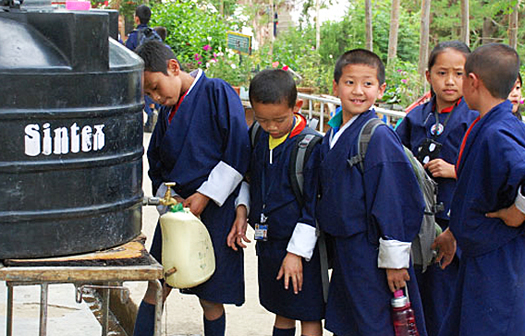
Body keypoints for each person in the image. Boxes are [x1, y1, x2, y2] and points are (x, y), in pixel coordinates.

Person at [132, 41, 250, 336]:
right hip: (176, 210)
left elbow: (237, 149)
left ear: (173, 67)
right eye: (149, 95)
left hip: (214, 208)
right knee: (157, 285)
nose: (157, 98)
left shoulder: (216, 92)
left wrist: (205, 196)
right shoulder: (166, 114)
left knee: (210, 297)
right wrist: (169, 201)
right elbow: (155, 161)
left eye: (156, 88)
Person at [314, 49, 427, 336]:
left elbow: (394, 201)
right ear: (335, 85)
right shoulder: (334, 133)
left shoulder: (377, 136)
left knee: (376, 324)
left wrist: (395, 262)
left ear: (381, 89)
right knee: (350, 323)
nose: (358, 91)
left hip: (372, 254)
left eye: (368, 83)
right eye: (350, 82)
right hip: (346, 252)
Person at [227, 69, 324, 336]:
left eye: (279, 120)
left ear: (297, 106)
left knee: (307, 312)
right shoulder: (258, 135)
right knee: (281, 307)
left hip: (301, 249)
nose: (271, 126)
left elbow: (314, 208)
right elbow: (250, 178)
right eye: (262, 119)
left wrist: (295, 254)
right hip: (267, 242)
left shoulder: (311, 146)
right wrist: (242, 211)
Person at [437, 43, 525, 336]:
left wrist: (518, 210)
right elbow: (477, 189)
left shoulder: (499, 132)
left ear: (472, 81)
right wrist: (454, 231)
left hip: (498, 260)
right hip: (478, 255)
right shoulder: (487, 125)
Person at [395, 40, 478, 336]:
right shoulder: (415, 117)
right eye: (442, 73)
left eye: (459, 73)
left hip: (457, 226)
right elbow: (396, 159)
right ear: (428, 75)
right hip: (420, 226)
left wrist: (455, 171)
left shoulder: (476, 117)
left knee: (452, 300)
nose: (450, 81)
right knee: (424, 301)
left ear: (471, 77)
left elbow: (492, 173)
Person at [125, 4, 159, 132]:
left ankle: (148, 115)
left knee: (140, 95)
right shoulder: (154, 34)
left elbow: (127, 55)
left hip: (140, 73)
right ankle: (154, 112)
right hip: (154, 69)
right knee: (153, 93)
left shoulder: (133, 36)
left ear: (137, 19)